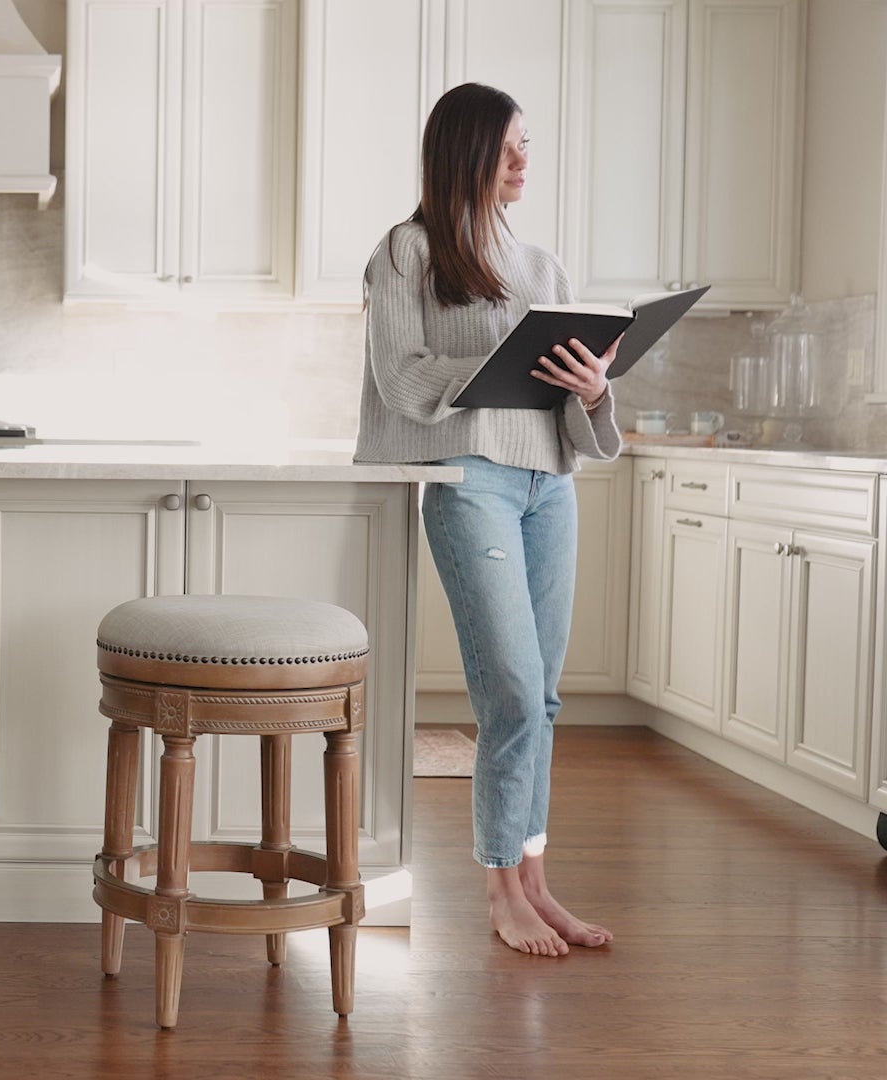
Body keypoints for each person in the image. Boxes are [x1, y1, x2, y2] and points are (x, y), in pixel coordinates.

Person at [355, 82, 622, 956]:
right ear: (464, 151)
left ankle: (536, 882)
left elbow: (573, 417)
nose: (521, 160)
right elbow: (401, 376)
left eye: (526, 144)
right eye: (507, 146)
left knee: (541, 697)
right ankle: (500, 889)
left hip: (551, 485)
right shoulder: (407, 253)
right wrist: (501, 366)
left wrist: (594, 390)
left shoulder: (543, 268)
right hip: (472, 484)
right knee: (509, 689)